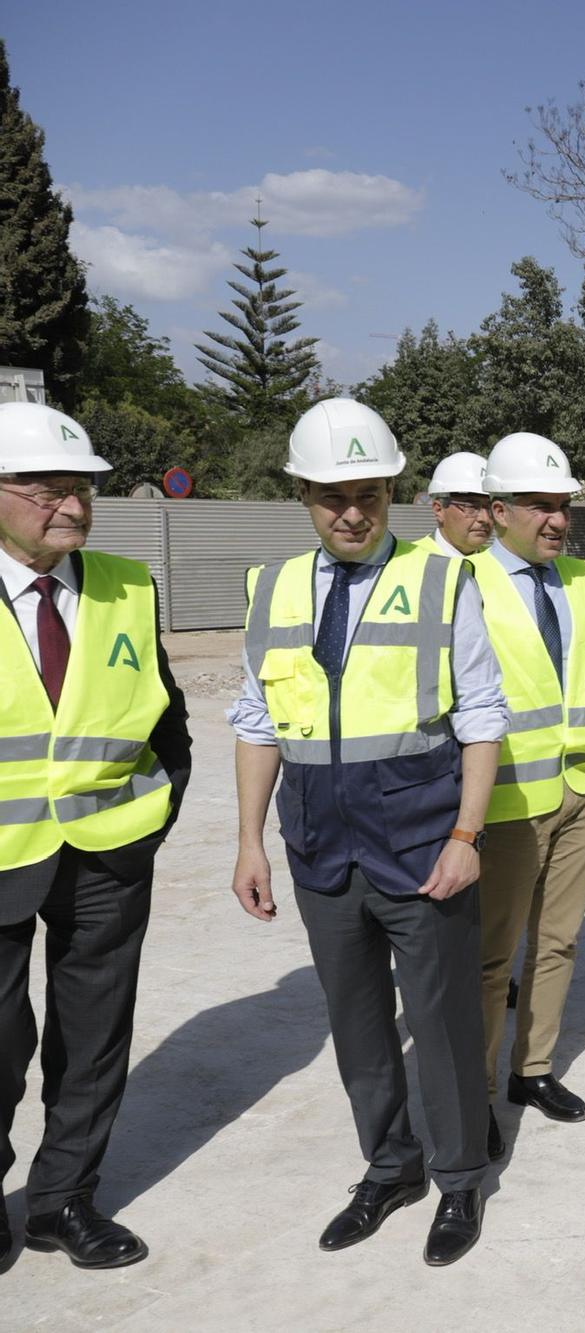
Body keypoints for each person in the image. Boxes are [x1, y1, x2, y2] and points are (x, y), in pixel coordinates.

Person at [227, 398, 506, 1267]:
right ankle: (390, 1166)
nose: (350, 512)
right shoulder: (270, 587)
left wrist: (467, 834)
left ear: (391, 493)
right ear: (304, 497)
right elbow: (256, 718)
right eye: (330, 496)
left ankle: (459, 1176)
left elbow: (484, 717)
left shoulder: (441, 579)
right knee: (357, 1023)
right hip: (320, 850)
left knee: (444, 1019)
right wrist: (248, 841)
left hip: (423, 846)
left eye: (368, 494)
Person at [0, 403, 190, 1269]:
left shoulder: (127, 585)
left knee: (94, 1039)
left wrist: (154, 816)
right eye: (46, 486)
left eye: (82, 487)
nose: (71, 503)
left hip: (108, 855)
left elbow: (168, 723)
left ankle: (62, 1201)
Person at [468, 434, 585, 1146]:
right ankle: (475, 1094)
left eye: (563, 506)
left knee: (558, 940)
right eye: (539, 505)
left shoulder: (581, 578)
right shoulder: (466, 584)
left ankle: (532, 1069)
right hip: (506, 801)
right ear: (498, 510)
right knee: (493, 955)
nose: (557, 519)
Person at [420, 451, 492, 557]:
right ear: (438, 509)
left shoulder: (500, 565)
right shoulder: (408, 564)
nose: (485, 518)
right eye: (471, 506)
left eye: (490, 508)